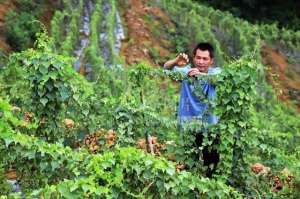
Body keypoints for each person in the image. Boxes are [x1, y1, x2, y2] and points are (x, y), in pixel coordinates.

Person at [163, 42, 221, 177]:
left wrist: (201, 76)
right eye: (198, 58)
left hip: (209, 128)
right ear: (194, 58)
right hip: (188, 126)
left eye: (205, 59)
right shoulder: (185, 72)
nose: (201, 62)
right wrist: (176, 61)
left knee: (211, 167)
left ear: (211, 61)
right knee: (187, 166)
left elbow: (220, 78)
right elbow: (166, 69)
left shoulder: (216, 73)